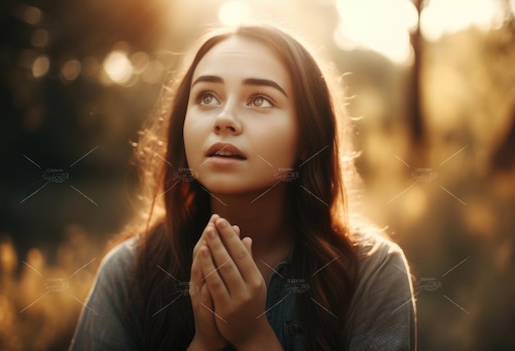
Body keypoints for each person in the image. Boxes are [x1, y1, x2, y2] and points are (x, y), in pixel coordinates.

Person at [70, 23, 416, 351]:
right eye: (207, 97)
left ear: (308, 138)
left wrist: (253, 337)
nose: (224, 118)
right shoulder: (128, 274)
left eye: (260, 100)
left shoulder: (373, 273)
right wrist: (204, 344)